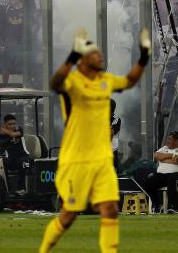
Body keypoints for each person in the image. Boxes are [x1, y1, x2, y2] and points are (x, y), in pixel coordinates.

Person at [39, 27, 149, 253]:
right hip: (78, 159)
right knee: (68, 215)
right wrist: (72, 56)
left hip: (102, 159)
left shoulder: (105, 85)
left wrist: (144, 56)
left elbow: (129, 80)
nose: (100, 58)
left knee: (109, 208)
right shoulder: (74, 87)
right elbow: (55, 83)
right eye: (95, 56)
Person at [144, 131, 178, 213]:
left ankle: (173, 207)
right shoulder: (164, 148)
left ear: (177, 141)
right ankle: (157, 205)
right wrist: (172, 155)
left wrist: (163, 159)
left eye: (170, 139)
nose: (168, 141)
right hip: (162, 175)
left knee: (172, 179)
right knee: (149, 181)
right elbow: (156, 156)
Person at [0, 113, 30, 195]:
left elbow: (13, 134)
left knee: (21, 163)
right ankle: (6, 188)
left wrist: (1, 129)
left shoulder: (18, 129)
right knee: (1, 164)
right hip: (11, 158)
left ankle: (22, 188)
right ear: (5, 124)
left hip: (23, 156)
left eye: (13, 123)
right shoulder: (2, 136)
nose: (12, 126)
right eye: (10, 124)